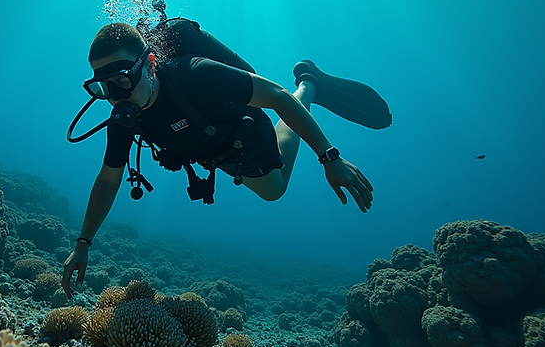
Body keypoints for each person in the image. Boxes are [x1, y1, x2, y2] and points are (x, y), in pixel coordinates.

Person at [62, 18, 391, 298]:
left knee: (275, 190)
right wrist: (83, 243)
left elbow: (276, 97)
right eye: (103, 88)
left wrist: (330, 157)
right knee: (272, 189)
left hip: (245, 139)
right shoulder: (125, 119)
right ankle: (310, 84)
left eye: (122, 80)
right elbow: (109, 178)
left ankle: (309, 83)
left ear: (149, 65)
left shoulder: (194, 74)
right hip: (210, 153)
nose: (116, 98)